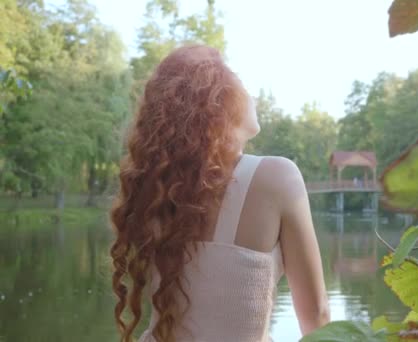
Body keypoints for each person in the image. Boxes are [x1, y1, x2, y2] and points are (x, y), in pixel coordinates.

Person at [110, 44, 330, 342]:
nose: (251, 95)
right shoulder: (277, 176)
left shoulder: (161, 195)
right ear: (220, 100)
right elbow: (316, 317)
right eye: (239, 80)